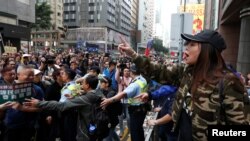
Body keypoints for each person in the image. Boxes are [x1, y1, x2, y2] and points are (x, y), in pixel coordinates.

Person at [117, 30, 249, 141]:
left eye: (192, 44)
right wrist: (132, 54)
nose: (187, 48)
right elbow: (158, 71)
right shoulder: (187, 72)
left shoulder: (228, 82)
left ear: (207, 50)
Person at [24, 75, 104, 141]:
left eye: (82, 83)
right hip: (95, 130)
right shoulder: (98, 93)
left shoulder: (87, 97)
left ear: (87, 85)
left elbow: (61, 105)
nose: (81, 85)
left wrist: (39, 103)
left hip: (85, 134)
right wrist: (75, 98)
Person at [101, 64, 148, 141]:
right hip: (142, 108)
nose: (128, 72)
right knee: (139, 129)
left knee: (134, 131)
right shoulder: (142, 79)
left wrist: (109, 100)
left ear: (131, 72)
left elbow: (123, 94)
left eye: (129, 71)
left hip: (136, 109)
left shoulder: (135, 84)